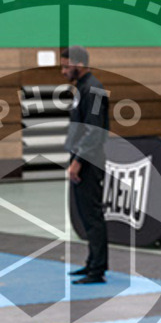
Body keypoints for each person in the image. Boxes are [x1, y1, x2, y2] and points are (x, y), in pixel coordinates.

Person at [61, 46, 109, 284]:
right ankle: (92, 262)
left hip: (89, 161)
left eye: (66, 66)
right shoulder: (81, 88)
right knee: (86, 215)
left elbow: (94, 130)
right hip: (81, 158)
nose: (63, 71)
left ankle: (97, 270)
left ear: (79, 64)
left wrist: (79, 161)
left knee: (92, 216)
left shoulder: (94, 90)